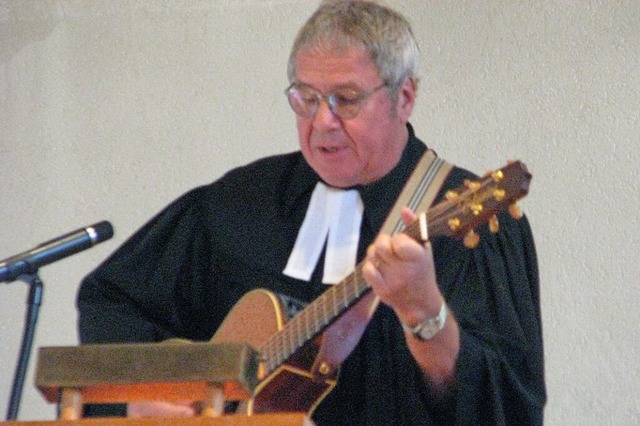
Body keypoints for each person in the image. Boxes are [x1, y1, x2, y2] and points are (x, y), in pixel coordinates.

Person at [77, 0, 546, 424]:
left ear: (403, 98)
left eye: (346, 99)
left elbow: (504, 407)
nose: (323, 121)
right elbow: (114, 301)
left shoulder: (472, 223)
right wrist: (136, 399)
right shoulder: (242, 200)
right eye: (306, 98)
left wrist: (426, 314)